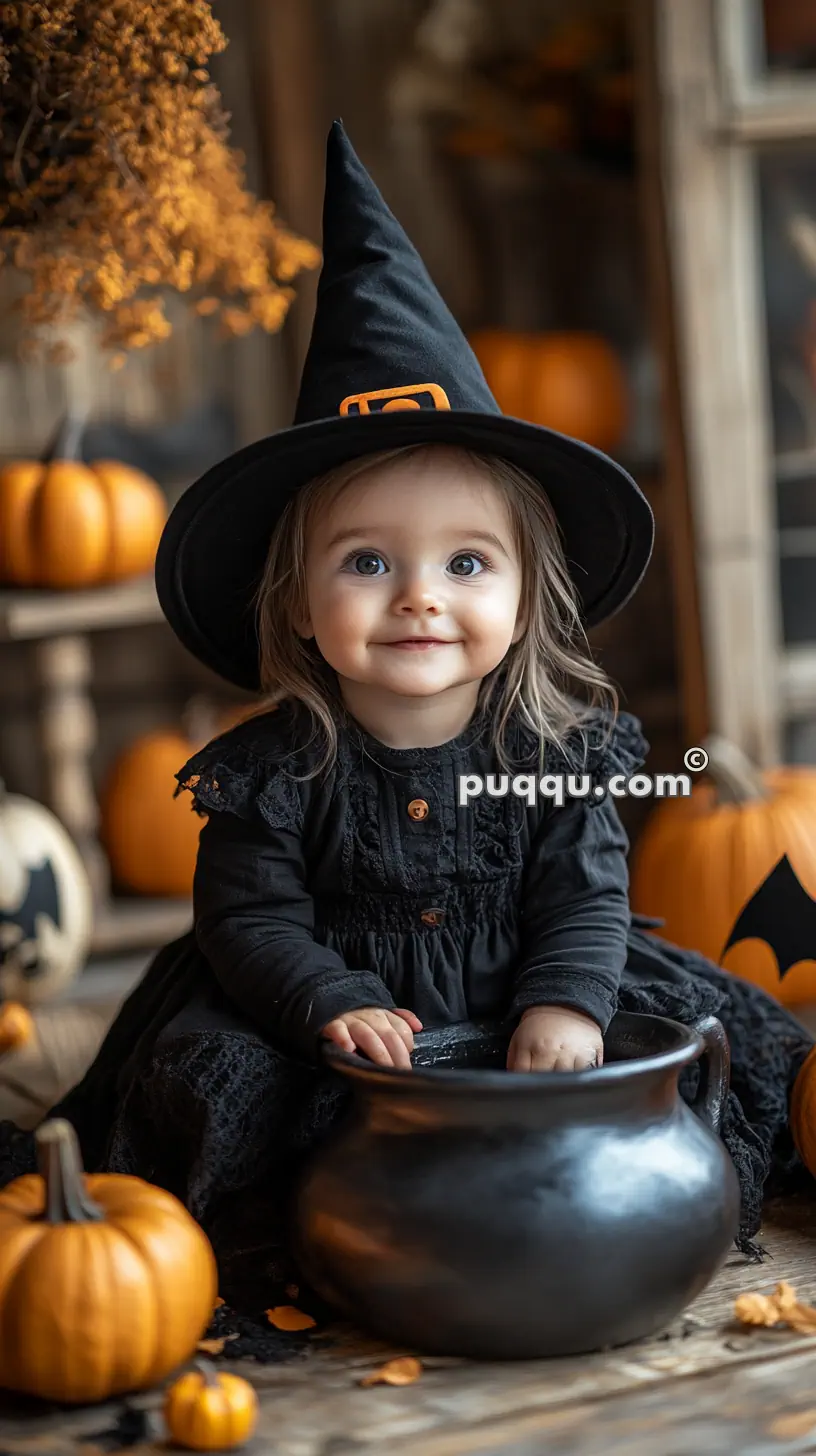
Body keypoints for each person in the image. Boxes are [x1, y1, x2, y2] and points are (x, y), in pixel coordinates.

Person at [0, 122, 810, 1312]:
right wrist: (328, 996)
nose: (422, 594)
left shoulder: (555, 754)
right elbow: (247, 919)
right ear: (298, 597)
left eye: (468, 563)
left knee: (694, 1025)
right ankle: (308, 1244)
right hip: (330, 1018)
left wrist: (562, 1001)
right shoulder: (274, 769)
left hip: (516, 988)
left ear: (531, 592)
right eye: (369, 561)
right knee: (214, 1073)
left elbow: (582, 895)